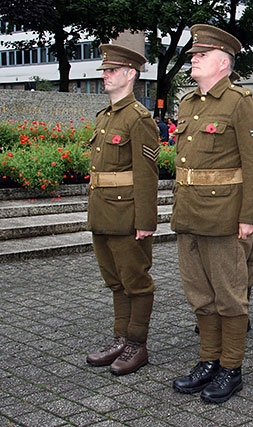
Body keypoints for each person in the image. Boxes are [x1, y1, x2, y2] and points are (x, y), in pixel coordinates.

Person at [170, 24, 253, 404]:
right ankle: (208, 361)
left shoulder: (240, 102)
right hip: (190, 216)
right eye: (194, 53)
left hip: (226, 218)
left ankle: (231, 367)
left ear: (223, 63)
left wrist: (250, 217)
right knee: (200, 295)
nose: (193, 58)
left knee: (230, 297)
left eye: (202, 54)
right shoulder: (189, 103)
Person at [85, 44, 159, 376]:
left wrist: (145, 221)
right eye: (104, 70)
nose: (105, 75)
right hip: (103, 214)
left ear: (130, 74)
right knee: (116, 282)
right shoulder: (106, 116)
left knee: (136, 282)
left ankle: (136, 344)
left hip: (128, 216)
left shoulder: (138, 118)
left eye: (111, 70)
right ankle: (120, 339)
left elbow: (147, 174)